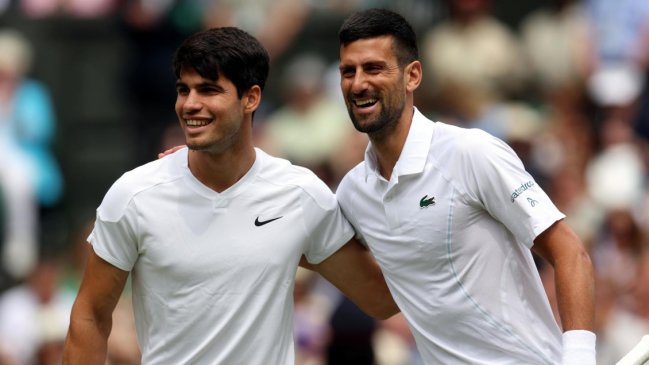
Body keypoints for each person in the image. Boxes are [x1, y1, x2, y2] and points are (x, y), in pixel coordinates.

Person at [63, 26, 398, 364]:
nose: (190, 104)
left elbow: (381, 299)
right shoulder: (134, 195)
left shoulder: (300, 195)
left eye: (208, 90)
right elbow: (90, 315)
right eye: (184, 90)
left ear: (251, 98)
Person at [334, 8, 596, 364]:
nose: (358, 83)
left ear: (413, 76)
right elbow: (382, 299)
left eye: (374, 68)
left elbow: (570, 252)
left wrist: (580, 358)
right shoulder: (352, 193)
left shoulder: (471, 153)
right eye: (348, 71)